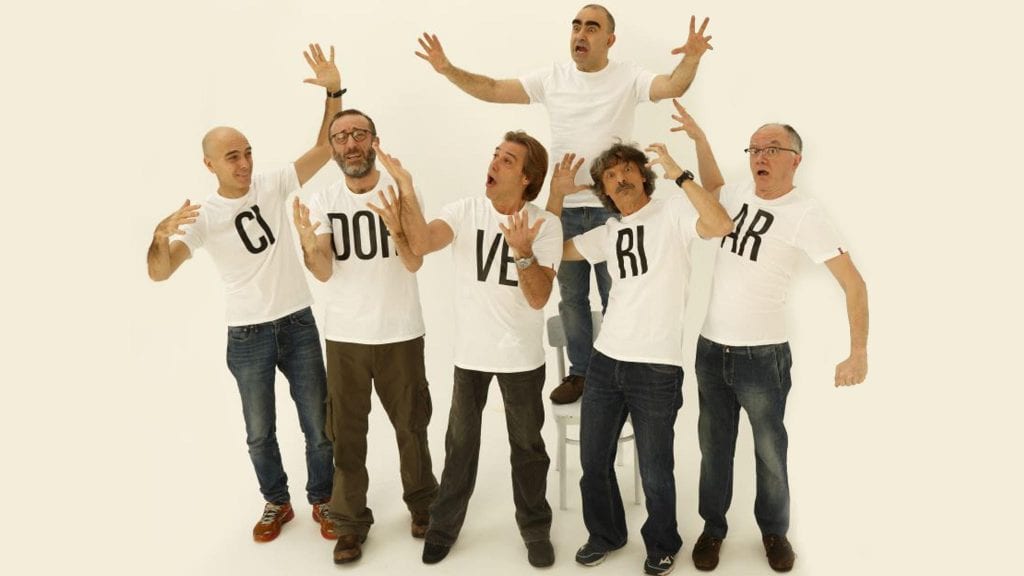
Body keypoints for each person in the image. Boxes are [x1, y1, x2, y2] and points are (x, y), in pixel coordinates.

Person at [415, 4, 713, 404]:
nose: (581, 33)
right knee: (571, 298)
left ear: (609, 39)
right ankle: (581, 373)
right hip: (565, 210)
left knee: (617, 291)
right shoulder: (551, 78)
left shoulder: (629, 77)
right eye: (576, 26)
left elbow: (673, 85)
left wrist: (692, 57)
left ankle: (617, 373)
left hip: (614, 209)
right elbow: (493, 89)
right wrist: (447, 69)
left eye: (592, 27)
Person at [146, 44, 343, 543]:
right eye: (232, 156)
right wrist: (158, 237)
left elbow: (324, 149)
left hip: (297, 323)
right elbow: (160, 272)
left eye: (248, 151)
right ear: (209, 164)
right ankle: (277, 501)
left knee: (319, 424)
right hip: (248, 335)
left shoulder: (272, 183)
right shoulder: (204, 216)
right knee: (259, 432)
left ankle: (323, 499)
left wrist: (333, 92)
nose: (244, 162)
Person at [669, 106, 869, 573]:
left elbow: (854, 284)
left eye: (772, 149)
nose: (760, 156)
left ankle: (774, 532)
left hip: (763, 357)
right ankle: (713, 529)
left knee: (769, 451)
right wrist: (700, 139)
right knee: (714, 448)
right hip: (710, 349)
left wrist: (857, 351)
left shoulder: (806, 214)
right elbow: (714, 191)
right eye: (755, 149)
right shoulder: (741, 190)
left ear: (796, 159)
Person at [549, 105, 733, 576]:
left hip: (656, 366)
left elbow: (720, 225)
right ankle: (605, 534)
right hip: (606, 362)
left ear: (643, 176)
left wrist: (680, 175)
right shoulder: (607, 231)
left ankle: (663, 542)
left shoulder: (672, 212)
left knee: (655, 468)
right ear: (604, 191)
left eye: (627, 169)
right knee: (594, 461)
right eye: (610, 176)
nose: (620, 178)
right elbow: (552, 250)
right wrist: (556, 196)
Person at [389, 131, 562, 567]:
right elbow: (422, 243)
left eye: (507, 160)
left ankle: (535, 530)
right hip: (471, 356)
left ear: (527, 178)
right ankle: (443, 529)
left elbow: (539, 297)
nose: (495, 163)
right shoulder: (465, 211)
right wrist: (407, 188)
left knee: (528, 449)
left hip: (522, 359)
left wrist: (523, 252)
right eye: (496, 155)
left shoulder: (545, 224)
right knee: (460, 446)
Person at [291, 108, 438, 564]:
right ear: (333, 148)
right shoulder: (323, 200)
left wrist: (401, 220)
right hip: (346, 337)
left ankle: (423, 505)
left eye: (359, 134)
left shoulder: (400, 189)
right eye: (340, 137)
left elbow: (414, 261)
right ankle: (350, 523)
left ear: (374, 140)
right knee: (347, 435)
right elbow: (323, 269)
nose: (350, 143)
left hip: (400, 332)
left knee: (412, 426)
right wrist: (307, 245)